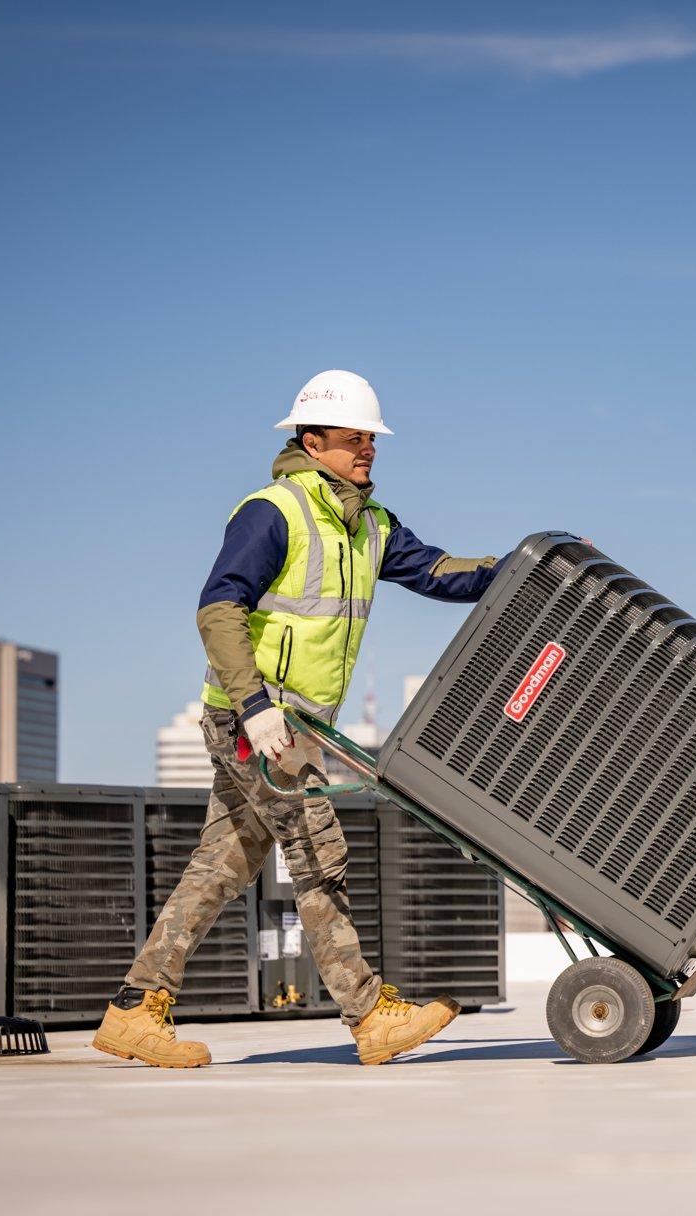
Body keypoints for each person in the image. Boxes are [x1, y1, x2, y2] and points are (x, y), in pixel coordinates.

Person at [94, 370, 505, 1068]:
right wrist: (253, 707)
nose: (367, 450)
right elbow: (217, 608)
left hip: (297, 726)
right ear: (311, 441)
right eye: (353, 439)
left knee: (220, 866)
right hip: (257, 724)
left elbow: (442, 573)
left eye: (371, 440)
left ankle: (136, 1007)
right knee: (319, 855)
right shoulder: (273, 511)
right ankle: (370, 1013)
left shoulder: (370, 525)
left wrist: (526, 566)